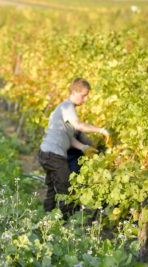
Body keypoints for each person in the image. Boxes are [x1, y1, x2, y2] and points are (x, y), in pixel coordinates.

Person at [38, 78, 110, 216]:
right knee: (67, 189)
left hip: (46, 153)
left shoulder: (63, 108)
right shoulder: (67, 107)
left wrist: (83, 148)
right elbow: (78, 125)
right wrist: (100, 130)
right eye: (84, 95)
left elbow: (68, 138)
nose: (86, 98)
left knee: (53, 188)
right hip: (53, 155)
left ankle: (47, 219)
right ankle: (65, 223)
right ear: (74, 91)